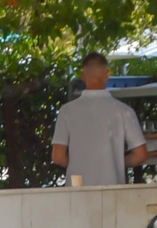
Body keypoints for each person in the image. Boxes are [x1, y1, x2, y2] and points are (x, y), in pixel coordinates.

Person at [50, 53, 148, 186]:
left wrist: (80, 165)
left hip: (77, 189)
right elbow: (141, 155)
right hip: (112, 189)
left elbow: (58, 157)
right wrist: (115, 162)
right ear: (107, 74)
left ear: (83, 76)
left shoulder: (67, 111)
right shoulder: (124, 111)